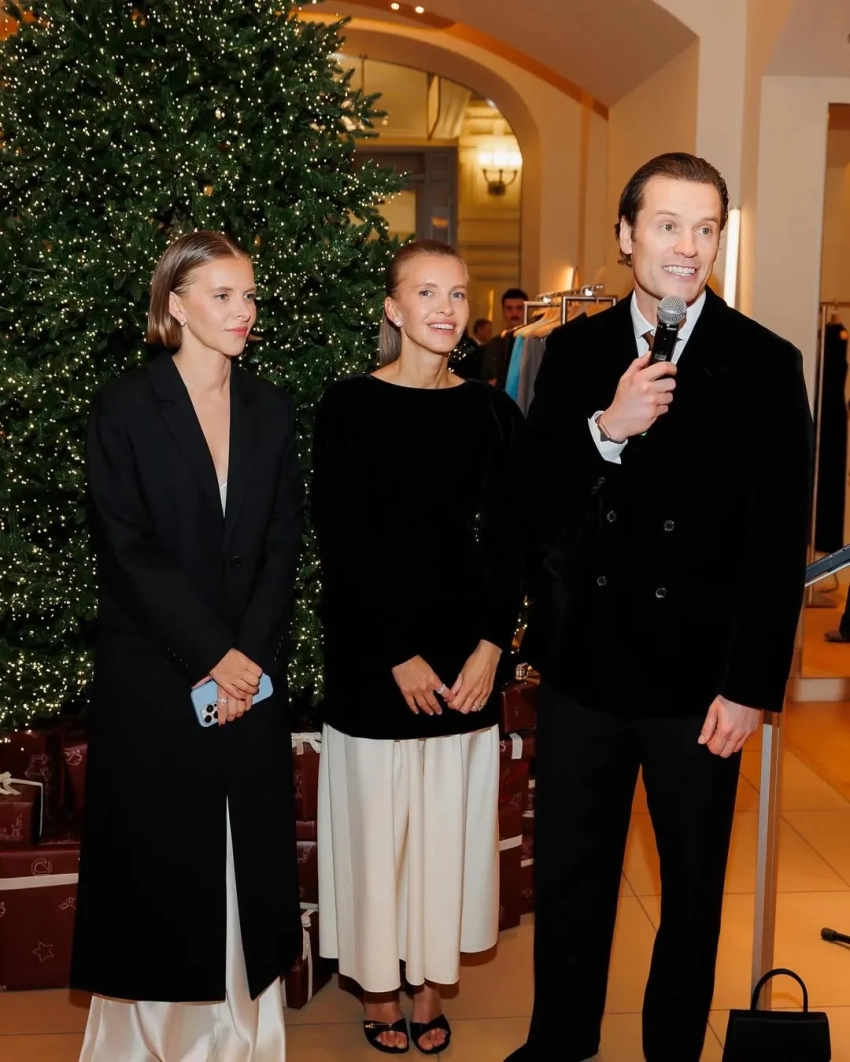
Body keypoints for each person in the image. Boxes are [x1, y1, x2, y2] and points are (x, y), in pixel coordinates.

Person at [507, 153, 812, 1062]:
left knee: (691, 892)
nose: (687, 246)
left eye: (705, 228)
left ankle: (673, 1052)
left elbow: (777, 545)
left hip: (700, 684)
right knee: (572, 884)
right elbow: (531, 511)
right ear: (626, 234)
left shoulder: (767, 362)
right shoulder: (574, 352)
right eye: (668, 225)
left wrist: (751, 686)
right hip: (585, 671)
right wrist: (607, 429)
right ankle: (560, 1044)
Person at [72, 231, 304, 1061]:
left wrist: (249, 658)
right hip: (155, 672)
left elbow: (282, 542)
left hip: (250, 670)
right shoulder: (125, 406)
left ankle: (241, 1035)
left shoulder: (271, 407)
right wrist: (215, 656)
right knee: (161, 863)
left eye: (250, 295)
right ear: (176, 304)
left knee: (246, 854)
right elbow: (126, 548)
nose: (244, 312)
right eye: (223, 296)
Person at [312, 239, 524, 1056]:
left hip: (466, 657)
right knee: (377, 836)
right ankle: (378, 987)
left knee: (445, 835)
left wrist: (490, 648)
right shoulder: (349, 406)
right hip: (373, 658)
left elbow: (510, 544)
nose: (445, 307)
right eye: (426, 292)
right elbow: (342, 542)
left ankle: (429, 984)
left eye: (457, 293)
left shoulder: (493, 412)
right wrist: (395, 652)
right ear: (393, 309)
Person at [481, 287, 529, 387]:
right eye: (509, 309)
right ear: (503, 312)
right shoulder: (493, 345)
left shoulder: (534, 342)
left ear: (527, 310)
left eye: (519, 308)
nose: (514, 313)